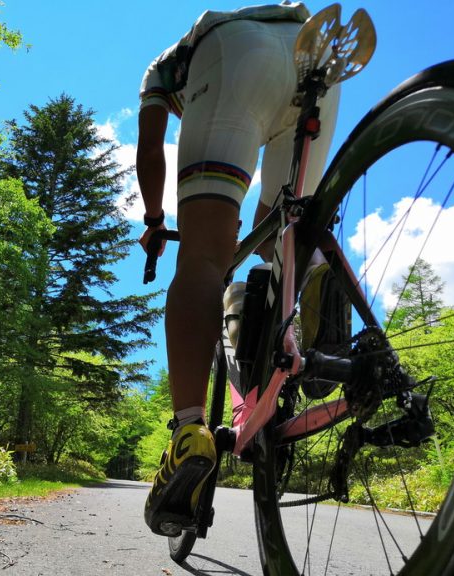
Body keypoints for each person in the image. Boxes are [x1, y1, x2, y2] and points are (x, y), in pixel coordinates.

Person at [136, 2, 340, 537]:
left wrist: (156, 221)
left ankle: (188, 434)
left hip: (235, 55)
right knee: (284, 239)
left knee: (204, 254)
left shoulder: (162, 68)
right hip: (313, 48)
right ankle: (315, 285)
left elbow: (151, 148)